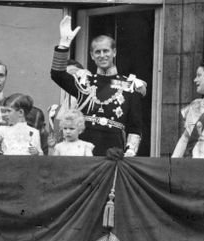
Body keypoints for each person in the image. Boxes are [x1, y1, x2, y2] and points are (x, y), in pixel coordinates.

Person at [50, 16, 144, 157]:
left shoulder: (129, 85)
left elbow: (135, 126)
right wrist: (64, 44)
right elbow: (57, 74)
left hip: (114, 149)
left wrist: (130, 150)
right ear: (92, 55)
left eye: (106, 51)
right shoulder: (84, 82)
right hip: (84, 148)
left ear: (114, 52)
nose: (102, 55)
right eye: (97, 52)